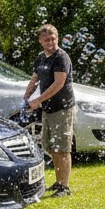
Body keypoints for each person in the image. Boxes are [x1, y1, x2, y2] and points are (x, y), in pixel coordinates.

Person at [24, 23, 77, 198]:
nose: (50, 42)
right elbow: (36, 77)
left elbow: (58, 84)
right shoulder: (41, 57)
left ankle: (65, 186)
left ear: (58, 38)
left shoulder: (61, 57)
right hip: (48, 108)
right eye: (46, 39)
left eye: (53, 38)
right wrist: (27, 95)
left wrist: (38, 100)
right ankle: (58, 181)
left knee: (62, 147)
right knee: (50, 145)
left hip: (62, 108)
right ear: (40, 41)